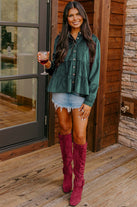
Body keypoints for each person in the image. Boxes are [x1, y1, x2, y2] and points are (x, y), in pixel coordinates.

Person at [38, 1, 100, 206]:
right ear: (66, 18)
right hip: (60, 93)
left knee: (79, 135)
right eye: (70, 15)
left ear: (83, 16)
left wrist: (90, 101)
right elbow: (54, 69)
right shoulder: (60, 39)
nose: (74, 18)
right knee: (64, 130)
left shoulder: (92, 41)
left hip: (81, 95)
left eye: (77, 14)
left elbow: (95, 74)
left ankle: (79, 181)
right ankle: (67, 174)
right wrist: (46, 63)